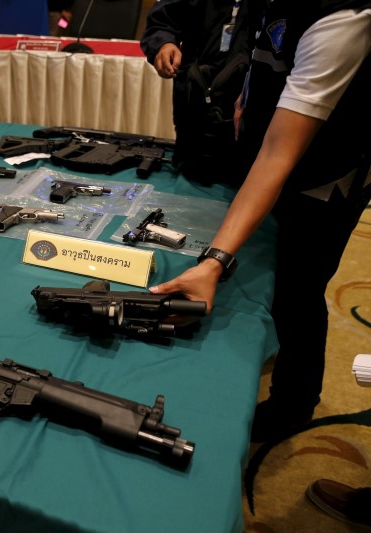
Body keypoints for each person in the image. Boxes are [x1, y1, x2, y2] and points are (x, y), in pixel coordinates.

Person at [148, 0, 371, 445]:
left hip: (325, 182)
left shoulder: (344, 18)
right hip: (285, 154)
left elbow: (278, 155)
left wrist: (213, 262)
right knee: (272, 276)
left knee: (298, 291)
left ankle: (295, 402)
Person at [140, 0, 249, 183]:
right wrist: (163, 44)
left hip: (249, 103)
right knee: (192, 176)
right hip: (194, 100)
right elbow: (161, 22)